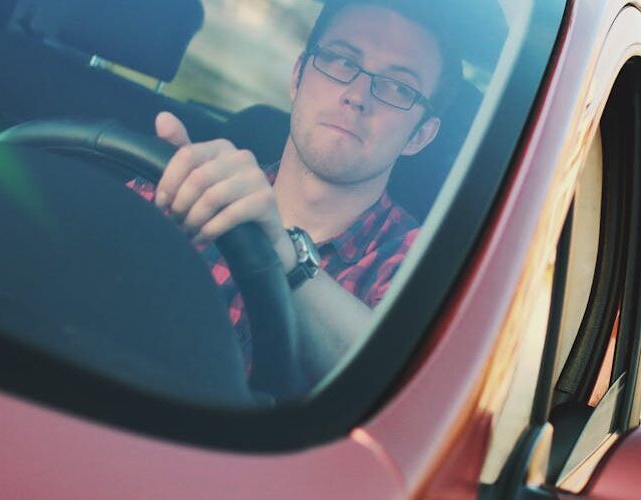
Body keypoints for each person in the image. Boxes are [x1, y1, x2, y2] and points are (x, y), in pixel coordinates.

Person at [130, 0, 459, 384]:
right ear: (298, 76)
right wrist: (148, 227)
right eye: (341, 61)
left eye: (399, 87)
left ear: (420, 134)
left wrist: (286, 256)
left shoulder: (425, 270)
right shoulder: (194, 184)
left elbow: (397, 386)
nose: (357, 95)